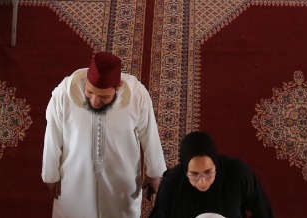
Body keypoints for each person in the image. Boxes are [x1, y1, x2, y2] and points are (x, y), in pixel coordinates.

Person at [42, 51, 166, 218]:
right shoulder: (64, 95)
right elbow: (53, 135)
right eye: (89, 92)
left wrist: (154, 172)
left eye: (104, 97)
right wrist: (51, 174)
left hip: (121, 180)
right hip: (75, 179)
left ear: (118, 86)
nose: (94, 101)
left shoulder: (137, 96)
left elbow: (149, 133)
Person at [151, 130, 273, 218]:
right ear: (185, 171)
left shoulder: (237, 174)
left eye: (207, 172)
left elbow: (263, 211)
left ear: (215, 165)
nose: (202, 181)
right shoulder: (171, 184)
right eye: (194, 174)